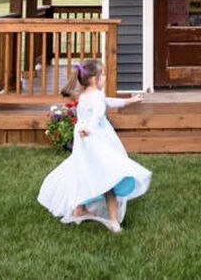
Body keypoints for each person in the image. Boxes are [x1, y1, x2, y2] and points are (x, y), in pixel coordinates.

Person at [38, 59, 151, 233]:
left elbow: (108, 102)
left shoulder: (84, 95)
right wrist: (88, 130)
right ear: (93, 79)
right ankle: (114, 221)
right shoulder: (95, 98)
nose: (105, 78)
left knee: (87, 172)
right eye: (103, 75)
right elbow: (97, 116)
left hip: (85, 142)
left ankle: (79, 209)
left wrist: (129, 101)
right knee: (109, 177)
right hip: (97, 139)